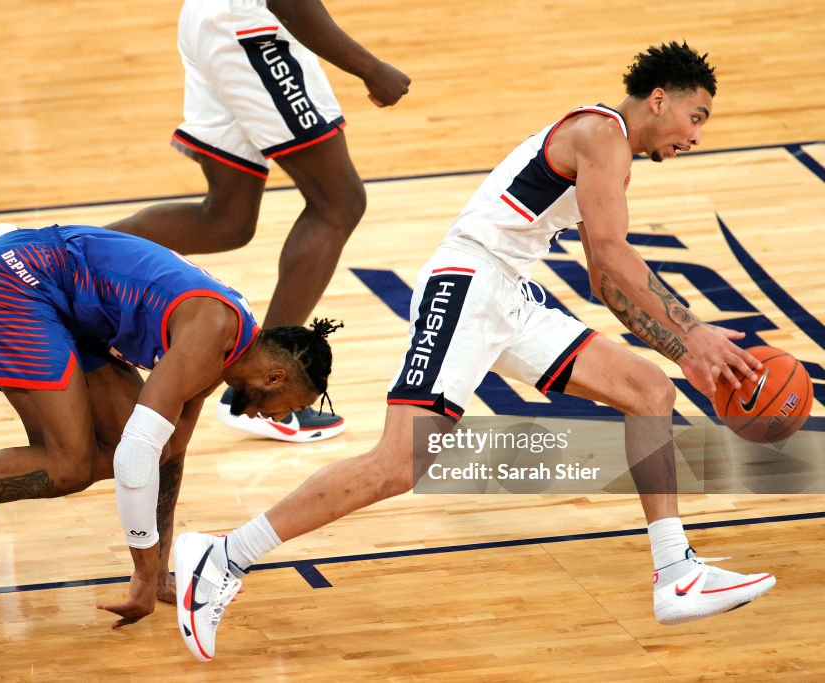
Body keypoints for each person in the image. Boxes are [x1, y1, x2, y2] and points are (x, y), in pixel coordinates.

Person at [171, 42, 778, 661]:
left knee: (649, 391)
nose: (696, 136)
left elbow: (605, 280)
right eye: (696, 117)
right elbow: (618, 253)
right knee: (399, 464)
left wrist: (682, 353)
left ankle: (675, 572)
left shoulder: (611, 154)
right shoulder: (601, 133)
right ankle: (223, 555)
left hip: (507, 296)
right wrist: (698, 331)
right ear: (659, 99)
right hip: (466, 285)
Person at [0, 224, 340, 627]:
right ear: (274, 375)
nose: (273, 417)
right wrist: (139, 572)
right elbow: (137, 456)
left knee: (123, 453)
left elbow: (167, 458)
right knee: (68, 464)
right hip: (21, 280)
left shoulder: (229, 346)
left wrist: (158, 568)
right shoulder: (208, 335)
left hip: (70, 307)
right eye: (284, 405)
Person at [105, 0, 410, 443]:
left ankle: (49, 252)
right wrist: (370, 67)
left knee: (227, 219)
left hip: (216, 19)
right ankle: (263, 385)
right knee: (338, 203)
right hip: (250, 27)